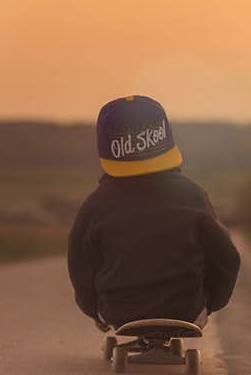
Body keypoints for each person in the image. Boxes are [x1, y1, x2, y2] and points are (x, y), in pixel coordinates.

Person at [67, 95, 241, 332]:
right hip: (185, 309)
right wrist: (211, 303)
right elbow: (226, 259)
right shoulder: (192, 194)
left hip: (117, 311)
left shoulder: (96, 203)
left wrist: (93, 309)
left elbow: (80, 265)